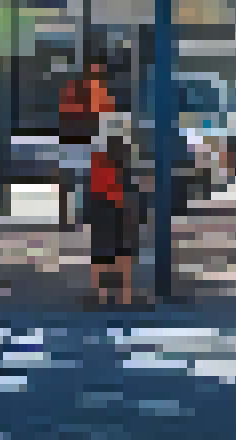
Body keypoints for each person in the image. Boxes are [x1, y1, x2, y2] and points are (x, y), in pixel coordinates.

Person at [86, 112, 142, 307]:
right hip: (119, 207)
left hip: (102, 207)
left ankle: (100, 293)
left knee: (102, 250)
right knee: (123, 250)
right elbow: (130, 185)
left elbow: (92, 186)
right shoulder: (126, 157)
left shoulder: (97, 158)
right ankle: (123, 294)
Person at [57, 58, 118, 227]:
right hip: (81, 141)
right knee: (77, 180)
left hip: (77, 140)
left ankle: (72, 217)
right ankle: (75, 217)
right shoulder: (88, 89)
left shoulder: (80, 89)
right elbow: (103, 115)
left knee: (75, 181)